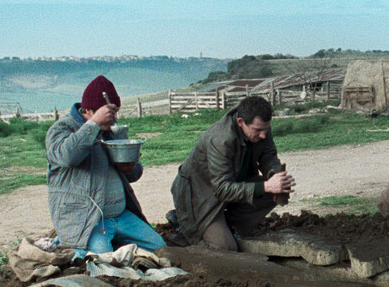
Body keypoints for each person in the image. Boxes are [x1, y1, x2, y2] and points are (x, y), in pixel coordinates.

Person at [45, 75, 166, 258]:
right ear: (89, 110)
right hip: (88, 219)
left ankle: (108, 241)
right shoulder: (62, 129)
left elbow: (135, 172)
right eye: (110, 112)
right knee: (102, 259)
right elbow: (67, 157)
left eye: (116, 112)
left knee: (159, 248)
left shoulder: (111, 129)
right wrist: (93, 125)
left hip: (120, 216)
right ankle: (67, 240)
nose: (115, 118)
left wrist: (130, 168)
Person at [170, 95, 294, 251]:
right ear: (241, 122)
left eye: (266, 129)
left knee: (277, 190)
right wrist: (266, 186)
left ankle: (228, 225)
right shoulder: (221, 139)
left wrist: (276, 175)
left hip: (230, 183)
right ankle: (186, 226)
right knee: (225, 248)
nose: (263, 135)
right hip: (200, 195)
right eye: (258, 130)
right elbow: (222, 189)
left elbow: (268, 156)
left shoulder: (260, 127)